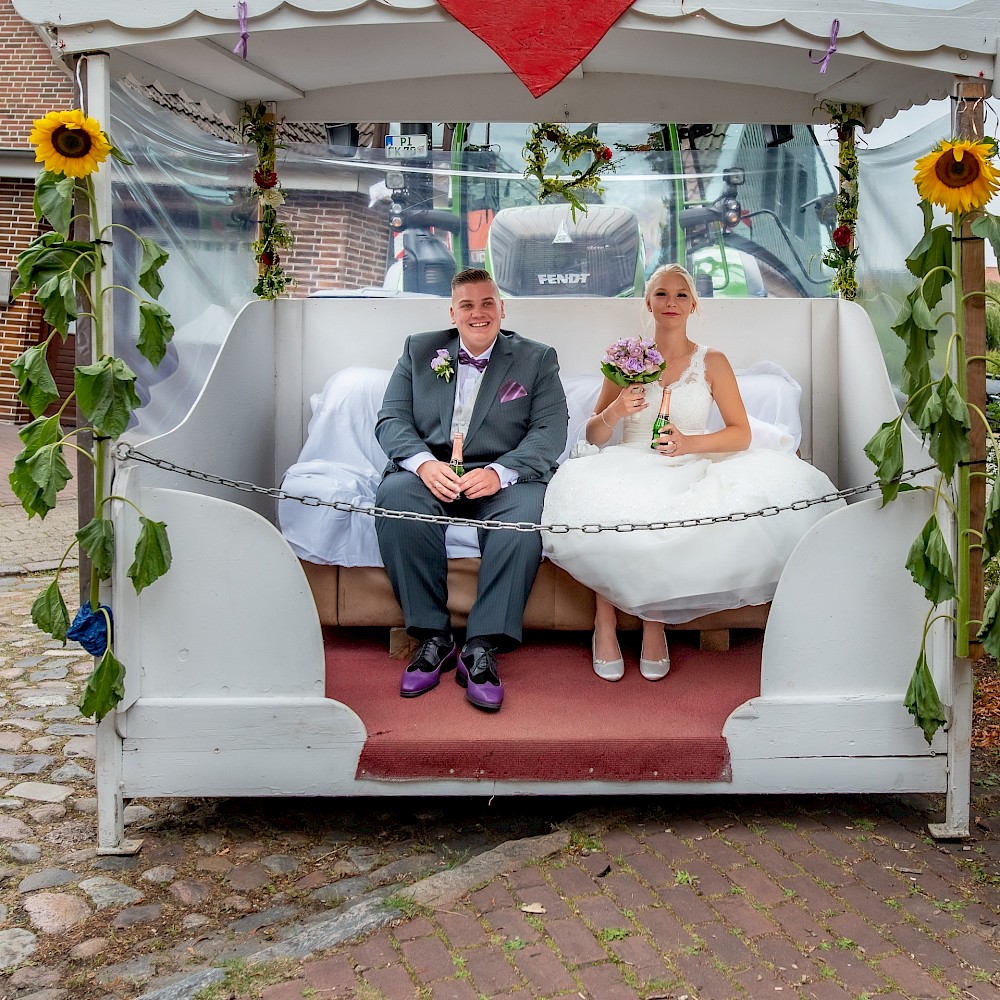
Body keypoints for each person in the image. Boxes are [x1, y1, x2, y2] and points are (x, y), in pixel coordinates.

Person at [541, 264, 843, 681]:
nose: (671, 302)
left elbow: (741, 433)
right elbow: (593, 433)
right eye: (661, 294)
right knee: (604, 509)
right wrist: (614, 411)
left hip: (692, 458)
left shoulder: (712, 361)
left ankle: (655, 625)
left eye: (681, 294)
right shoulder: (625, 357)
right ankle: (604, 625)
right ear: (647, 303)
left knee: (674, 517)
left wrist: (689, 443)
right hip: (627, 457)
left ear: (694, 304)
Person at [375, 268, 568, 710]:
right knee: (395, 498)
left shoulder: (537, 358)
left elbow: (550, 430)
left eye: (487, 303)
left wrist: (502, 472)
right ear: (453, 312)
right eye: (467, 305)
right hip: (432, 471)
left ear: (502, 308)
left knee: (523, 518)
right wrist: (424, 466)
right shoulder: (419, 349)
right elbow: (392, 420)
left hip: (501, 476)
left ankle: (481, 647)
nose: (478, 313)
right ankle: (432, 638)